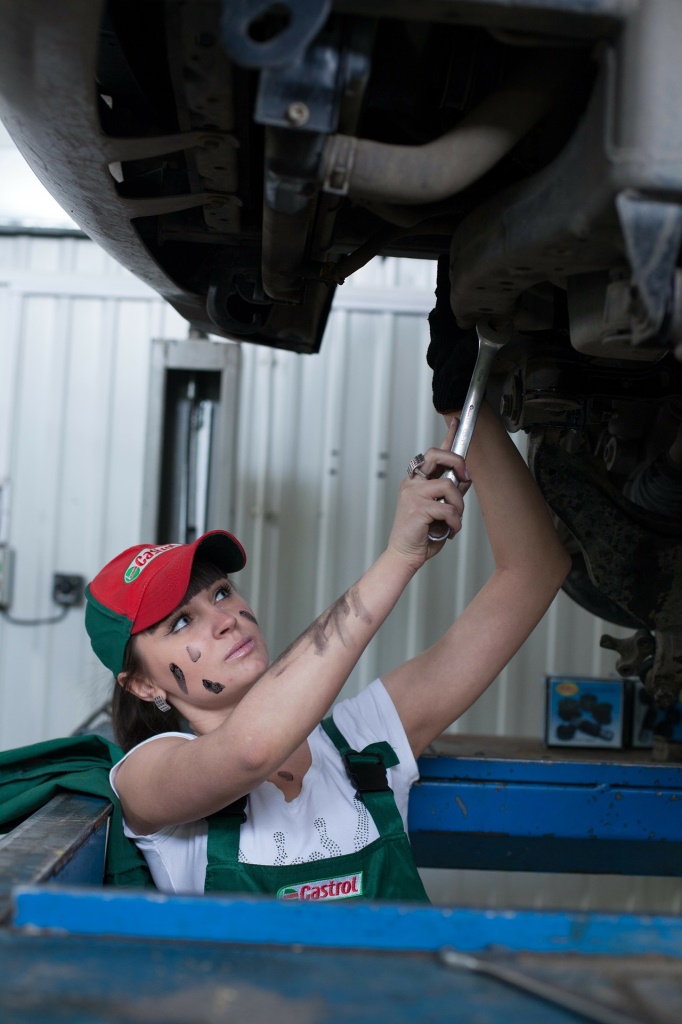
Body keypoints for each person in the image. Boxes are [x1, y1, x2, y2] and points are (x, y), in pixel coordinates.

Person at [83, 268, 570, 903]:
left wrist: (464, 408)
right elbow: (249, 750)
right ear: (142, 684)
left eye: (222, 593)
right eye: (181, 622)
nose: (225, 618)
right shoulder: (148, 778)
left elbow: (533, 573)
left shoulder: (362, 743)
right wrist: (399, 555)